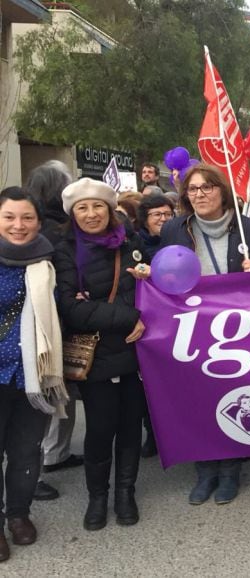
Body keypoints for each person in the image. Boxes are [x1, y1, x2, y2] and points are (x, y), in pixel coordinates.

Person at [159, 164, 250, 506]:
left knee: (234, 396)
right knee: (198, 399)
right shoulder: (174, 229)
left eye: (207, 188)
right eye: (193, 190)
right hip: (192, 330)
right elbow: (162, 273)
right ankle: (205, 469)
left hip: (239, 332)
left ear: (222, 192)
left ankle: (229, 470)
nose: (199, 194)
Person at [54, 178, 149, 531]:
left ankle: (126, 492)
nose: (91, 214)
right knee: (99, 429)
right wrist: (130, 316)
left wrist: (126, 309)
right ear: (73, 213)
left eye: (98, 206)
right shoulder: (63, 250)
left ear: (110, 211)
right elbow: (71, 309)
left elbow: (146, 290)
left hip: (134, 352)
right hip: (94, 356)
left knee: (129, 428)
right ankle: (97, 496)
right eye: (82, 207)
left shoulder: (131, 242)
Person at [0, 187, 68, 562]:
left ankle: (19, 514)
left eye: (26, 217)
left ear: (39, 222)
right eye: (9, 217)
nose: (18, 225)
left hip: (35, 374)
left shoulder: (49, 260)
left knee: (26, 450)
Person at [25, 160, 81, 502]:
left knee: (62, 392)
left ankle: (56, 455)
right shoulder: (49, 231)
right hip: (48, 327)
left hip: (60, 322)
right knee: (46, 394)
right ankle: (38, 463)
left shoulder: (56, 225)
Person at [132, 194, 176, 459]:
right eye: (156, 215)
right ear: (144, 220)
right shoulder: (135, 245)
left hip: (176, 319)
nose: (163, 219)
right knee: (150, 381)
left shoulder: (180, 241)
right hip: (148, 321)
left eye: (167, 214)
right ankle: (153, 431)